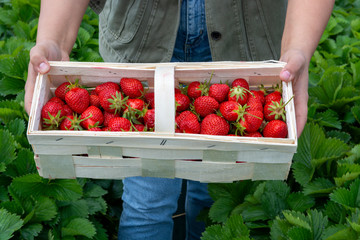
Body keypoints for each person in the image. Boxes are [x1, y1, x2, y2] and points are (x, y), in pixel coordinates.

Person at [24, 0, 335, 239]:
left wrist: (297, 48)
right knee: (148, 198)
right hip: (141, 48)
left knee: (214, 193)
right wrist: (54, 40)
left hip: (246, 44)